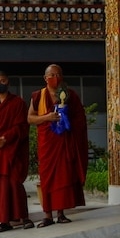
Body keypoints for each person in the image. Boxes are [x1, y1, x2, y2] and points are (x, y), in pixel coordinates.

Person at [27, 64, 89, 227]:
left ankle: (61, 213)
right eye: (52, 75)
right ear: (45, 78)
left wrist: (67, 121)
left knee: (64, 176)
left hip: (64, 141)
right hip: (47, 144)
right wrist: (47, 117)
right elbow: (30, 118)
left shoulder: (70, 95)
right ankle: (47, 215)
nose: (55, 77)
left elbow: (80, 119)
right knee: (47, 177)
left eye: (58, 74)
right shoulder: (38, 96)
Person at [0, 70, 33, 233]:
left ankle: (24, 217)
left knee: (14, 183)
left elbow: (22, 127)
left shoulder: (18, 103)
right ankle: (4, 221)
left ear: (8, 82)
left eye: (2, 81)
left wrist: (4, 138)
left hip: (11, 149)